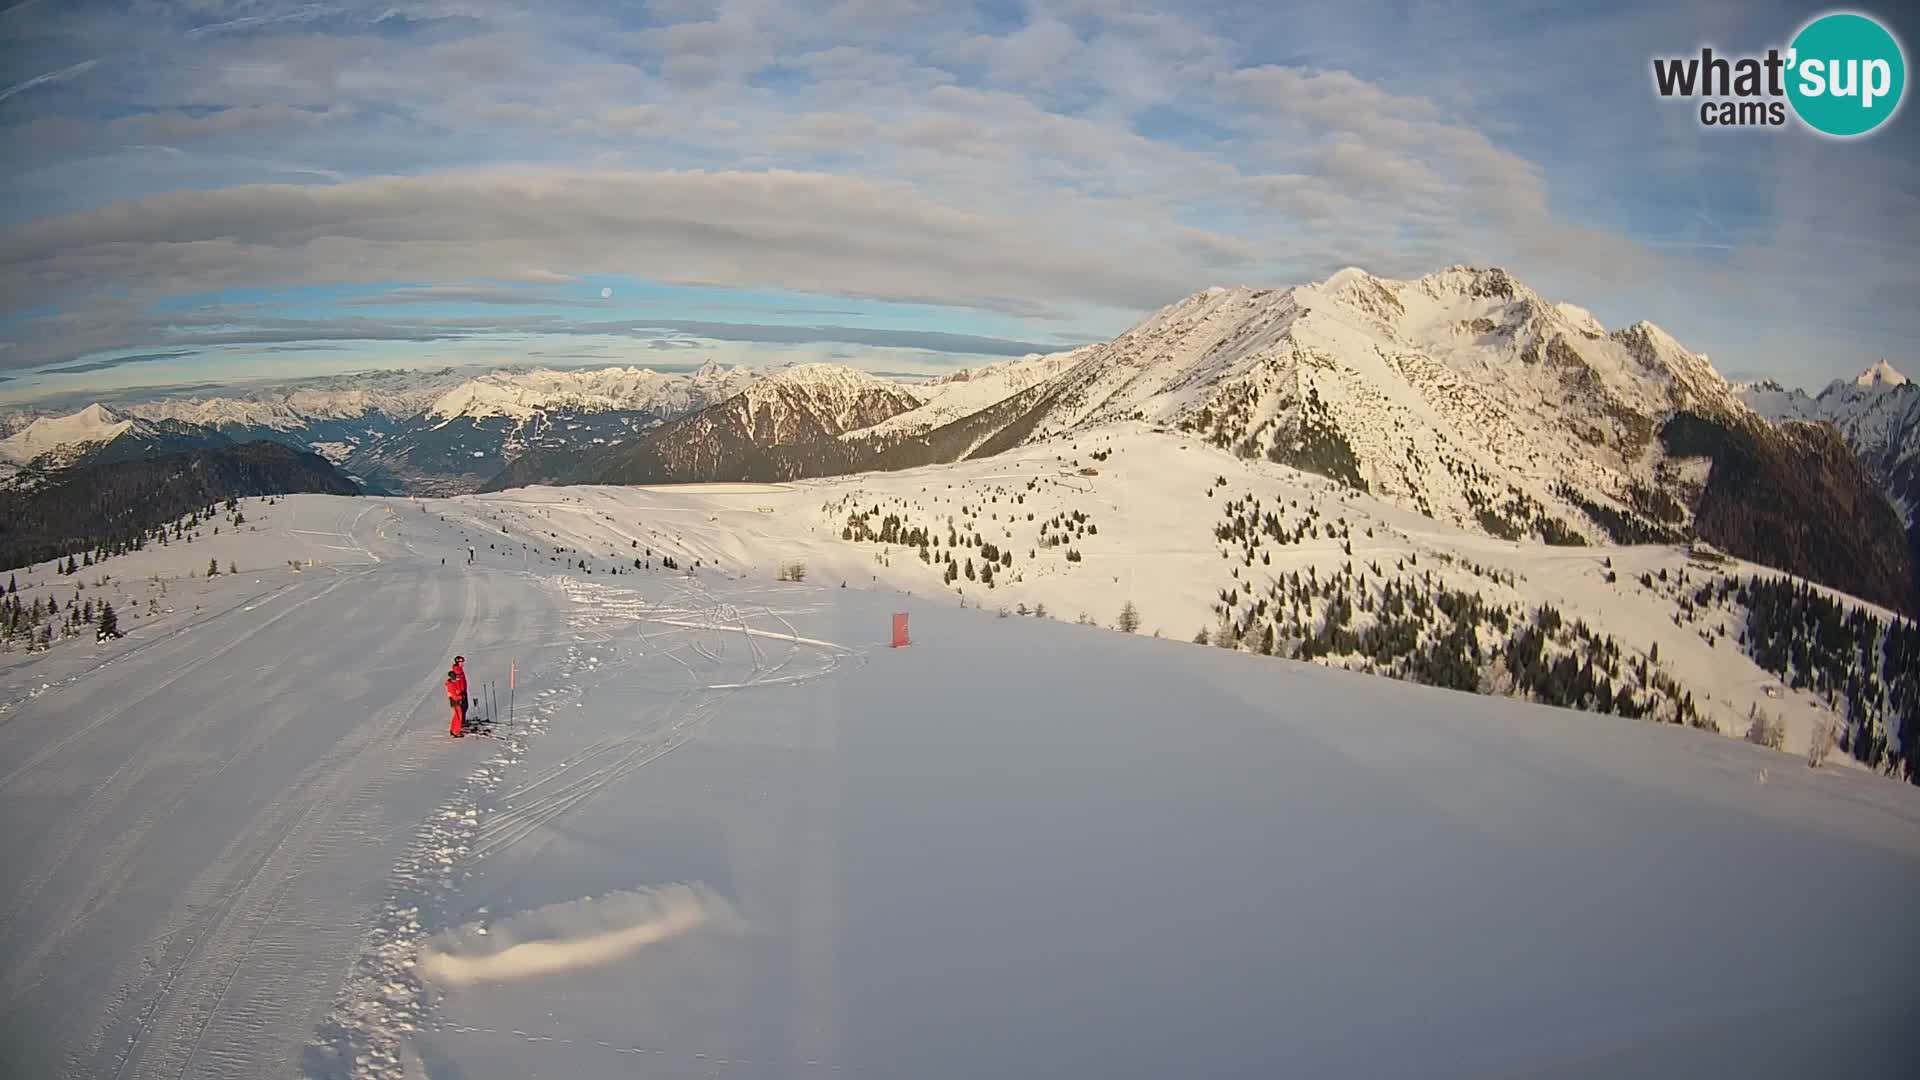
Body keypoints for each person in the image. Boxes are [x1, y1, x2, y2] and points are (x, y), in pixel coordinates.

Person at [446, 655, 469, 737]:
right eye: (461, 662)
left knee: (459, 712)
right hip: (457, 697)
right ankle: (456, 731)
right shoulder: (456, 672)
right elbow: (455, 686)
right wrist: (460, 695)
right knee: (458, 713)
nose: (463, 664)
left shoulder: (459, 670)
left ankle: (456, 728)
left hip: (459, 695)